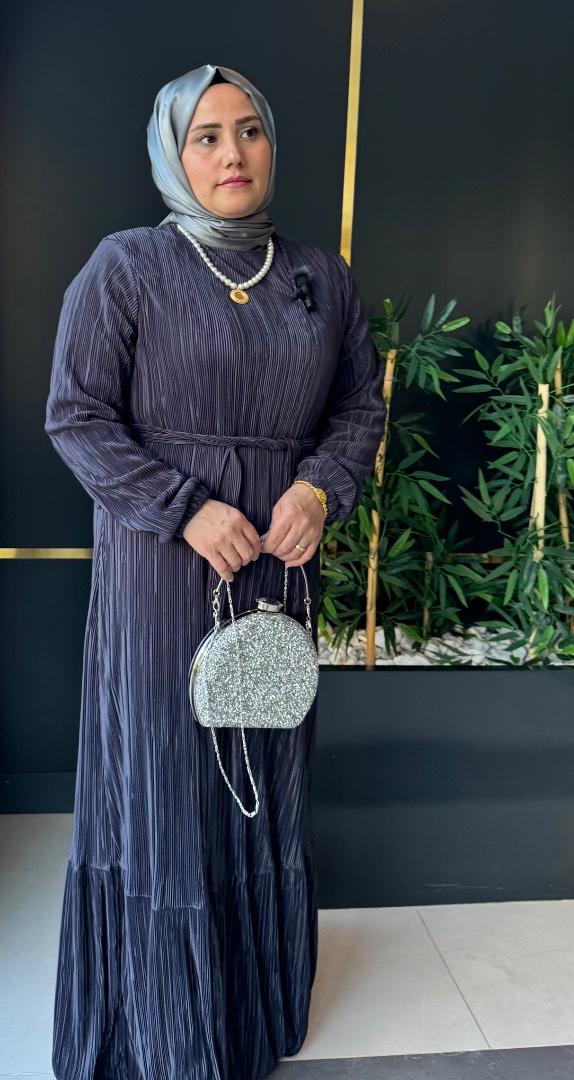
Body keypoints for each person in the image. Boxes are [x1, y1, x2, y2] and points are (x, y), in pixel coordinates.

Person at [45, 62, 387, 1080]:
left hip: (278, 568)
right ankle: (158, 1028)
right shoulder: (125, 267)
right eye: (206, 136)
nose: (231, 153)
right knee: (164, 778)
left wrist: (319, 489)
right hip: (159, 572)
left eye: (248, 130)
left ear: (271, 142)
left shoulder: (321, 277)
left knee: (262, 770)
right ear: (172, 153)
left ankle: (249, 1008)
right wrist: (185, 510)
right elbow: (77, 417)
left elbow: (359, 408)